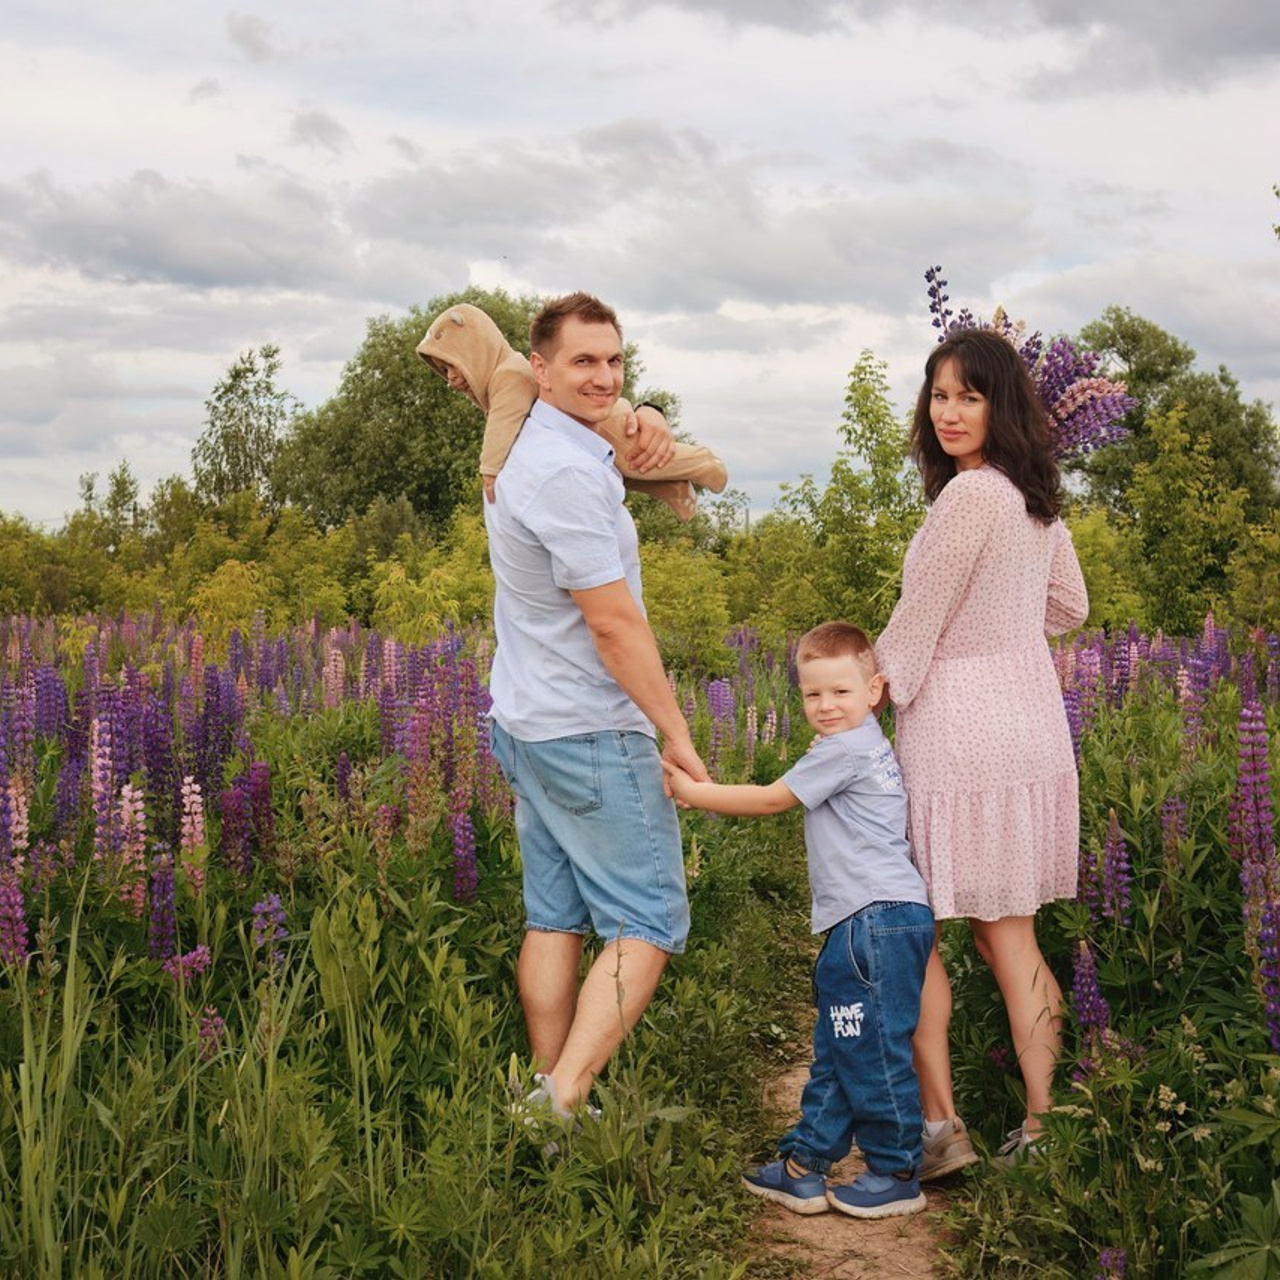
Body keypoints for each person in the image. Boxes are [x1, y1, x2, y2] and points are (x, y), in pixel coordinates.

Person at [482, 291, 710, 1126]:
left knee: (554, 919)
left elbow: (619, 429)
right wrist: (676, 734)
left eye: (615, 360)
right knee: (649, 918)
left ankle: (547, 1099)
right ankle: (561, 1104)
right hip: (588, 728)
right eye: (584, 361)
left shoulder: (526, 444)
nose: (605, 377)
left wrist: (644, 418)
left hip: (527, 720)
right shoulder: (568, 474)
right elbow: (613, 625)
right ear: (539, 370)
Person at [874, 327, 1089, 1177]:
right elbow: (1069, 607)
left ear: (1001, 405)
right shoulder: (1033, 498)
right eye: (940, 395)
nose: (950, 412)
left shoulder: (968, 497)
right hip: (1030, 726)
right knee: (1011, 941)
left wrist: (860, 694)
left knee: (916, 932)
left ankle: (942, 1129)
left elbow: (916, 623)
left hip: (958, 734)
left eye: (970, 395)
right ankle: (1044, 1128)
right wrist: (1004, 630)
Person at [664, 622, 934, 1219]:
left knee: (873, 1051)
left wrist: (694, 792)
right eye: (813, 694)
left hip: (871, 920)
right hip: (878, 920)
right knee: (842, 1044)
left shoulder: (844, 750)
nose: (825, 705)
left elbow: (771, 799)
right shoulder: (866, 743)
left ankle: (897, 1171)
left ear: (874, 690)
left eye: (840, 691)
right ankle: (803, 1167)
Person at [417, 302, 728, 520]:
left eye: (453, 366)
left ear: (477, 352)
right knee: (622, 471)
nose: (451, 379)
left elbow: (502, 426)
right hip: (582, 436)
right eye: (444, 371)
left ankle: (701, 461)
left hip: (605, 425)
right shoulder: (500, 383)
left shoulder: (509, 375)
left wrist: (489, 471)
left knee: (635, 457)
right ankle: (673, 488)